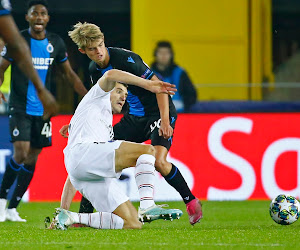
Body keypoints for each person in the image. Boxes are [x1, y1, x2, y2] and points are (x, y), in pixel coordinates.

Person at [61, 22, 202, 225]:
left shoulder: (125, 59)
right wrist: (76, 123)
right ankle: (83, 215)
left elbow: (159, 87)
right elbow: (97, 100)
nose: (98, 51)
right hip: (134, 118)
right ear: (83, 51)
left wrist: (164, 119)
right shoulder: (94, 69)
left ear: (104, 41)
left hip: (158, 112)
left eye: (100, 45)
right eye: (92, 49)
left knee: (159, 161)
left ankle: (191, 202)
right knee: (98, 155)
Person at [52, 69, 182, 230]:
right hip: (82, 155)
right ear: (107, 91)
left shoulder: (107, 129)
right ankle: (148, 205)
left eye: (126, 95)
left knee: (133, 223)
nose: (123, 97)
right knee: (147, 151)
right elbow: (111, 74)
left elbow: (75, 171)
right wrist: (149, 84)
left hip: (84, 171)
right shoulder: (97, 96)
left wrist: (63, 209)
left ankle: (71, 217)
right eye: (119, 91)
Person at [0, 0, 88, 222]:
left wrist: (88, 96)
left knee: (33, 156)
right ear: (27, 17)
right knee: (20, 153)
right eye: (34, 13)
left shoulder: (55, 43)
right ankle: (1, 202)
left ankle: (13, 208)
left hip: (43, 111)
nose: (39, 17)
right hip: (19, 107)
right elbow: (1, 68)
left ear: (47, 18)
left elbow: (68, 74)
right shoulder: (17, 41)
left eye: (43, 14)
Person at [0, 0, 58, 118]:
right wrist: (41, 89)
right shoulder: (15, 46)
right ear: (27, 17)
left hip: (13, 96)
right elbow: (16, 46)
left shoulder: (55, 42)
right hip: (16, 100)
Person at [151, 41, 197, 112]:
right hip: (154, 114)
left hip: (179, 113)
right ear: (155, 54)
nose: (163, 56)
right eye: (160, 53)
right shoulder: (148, 73)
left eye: (166, 53)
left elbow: (192, 94)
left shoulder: (180, 73)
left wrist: (182, 104)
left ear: (171, 55)